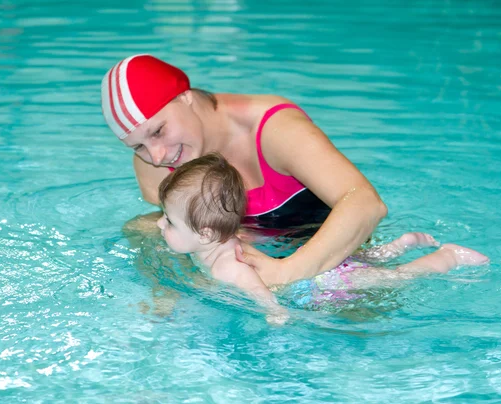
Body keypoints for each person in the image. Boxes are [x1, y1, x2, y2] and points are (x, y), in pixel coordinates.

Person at [101, 54, 388, 286]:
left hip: (334, 256)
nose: (157, 155)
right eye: (137, 146)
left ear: (185, 97)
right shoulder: (151, 163)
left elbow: (365, 203)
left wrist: (286, 272)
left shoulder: (274, 130)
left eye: (159, 131)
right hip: (252, 261)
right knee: (140, 228)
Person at [155, 154, 489, 319]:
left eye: (169, 221)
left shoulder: (227, 265)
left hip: (324, 284)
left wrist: (274, 312)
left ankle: (447, 257)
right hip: (316, 267)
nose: (159, 225)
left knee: (394, 279)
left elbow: (253, 286)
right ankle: (400, 244)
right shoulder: (227, 238)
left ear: (205, 232)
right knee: (363, 261)